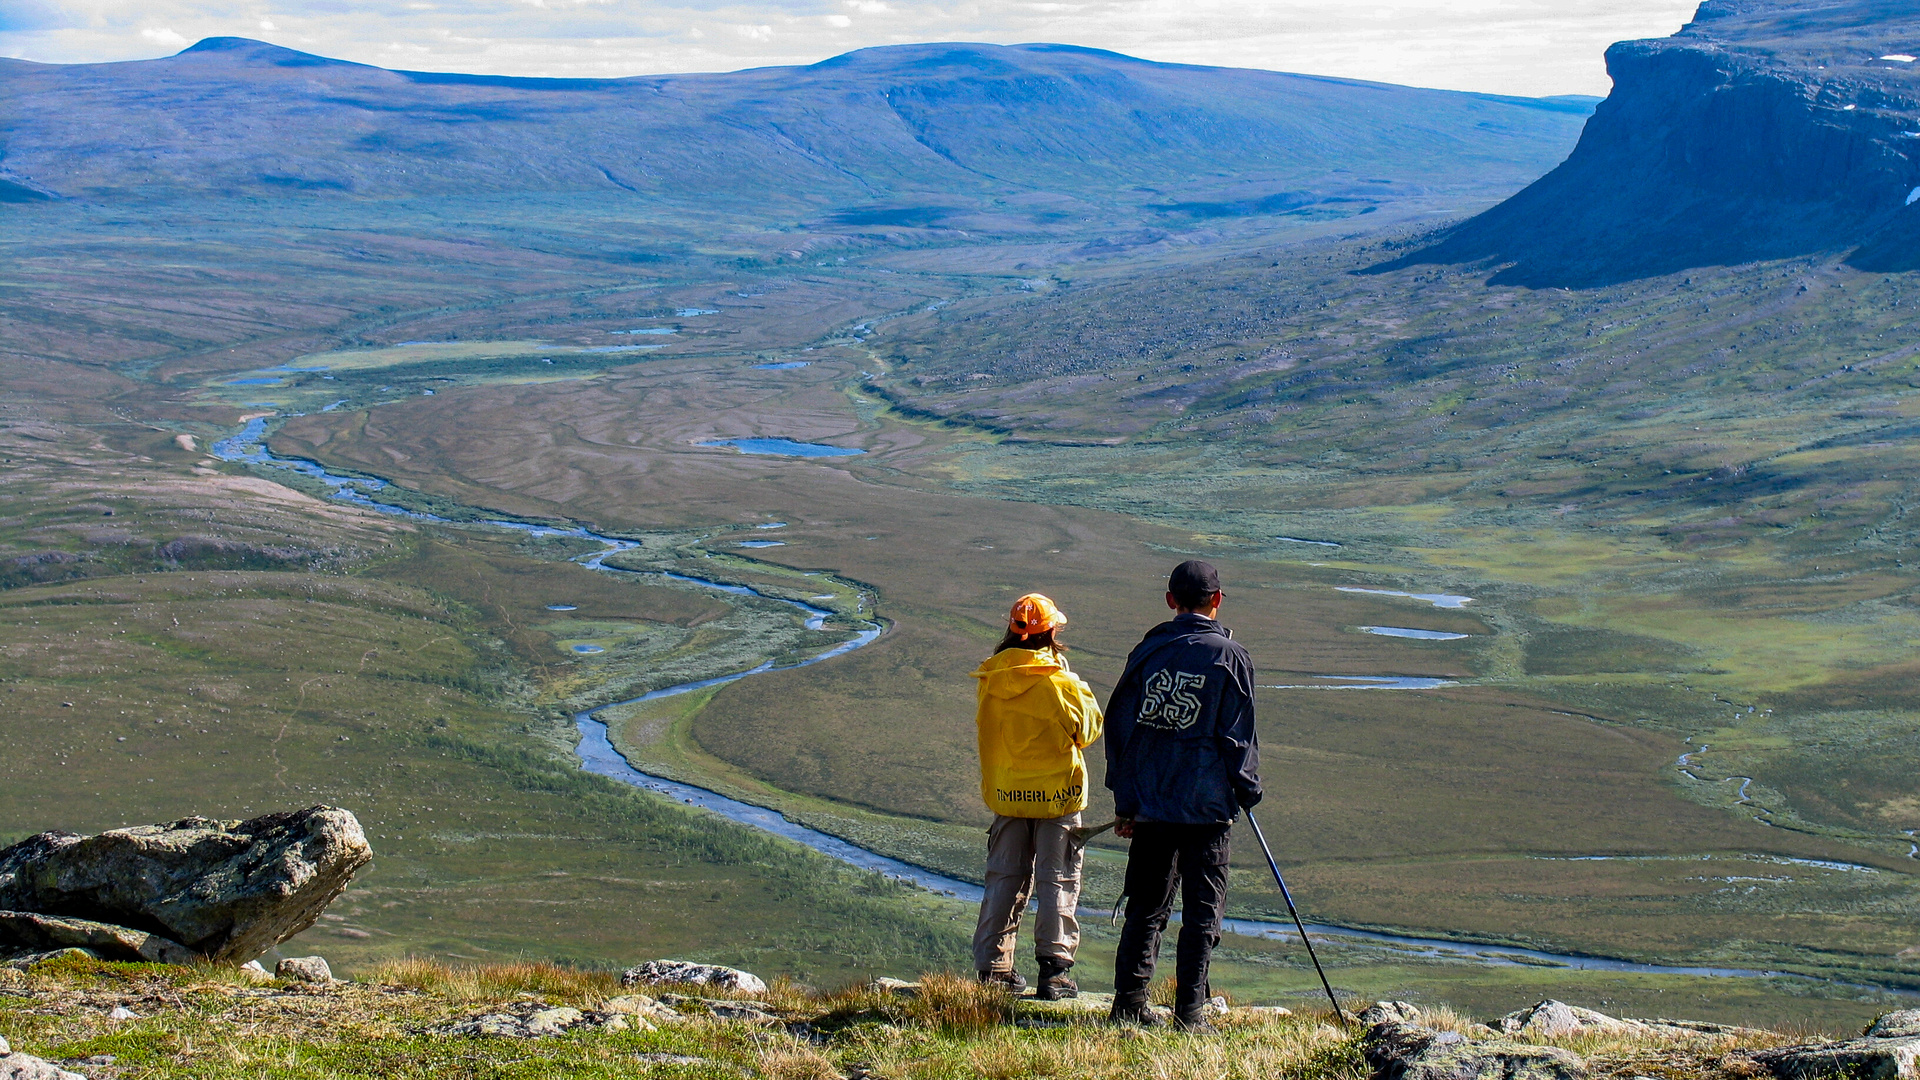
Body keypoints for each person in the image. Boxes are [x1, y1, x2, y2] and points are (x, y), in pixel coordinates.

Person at [1102, 560, 1261, 1031]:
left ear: (1171, 600)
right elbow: (1239, 737)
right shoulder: (1230, 656)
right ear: (1216, 600)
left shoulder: (1148, 651)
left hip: (1151, 804)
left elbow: (1120, 727)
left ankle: (1128, 1006)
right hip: (1207, 808)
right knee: (1202, 913)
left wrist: (1126, 801)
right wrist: (1247, 790)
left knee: (1146, 907)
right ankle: (1189, 1014)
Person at [969, 592, 1105, 1000]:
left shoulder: (991, 678)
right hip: (1056, 798)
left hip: (1008, 794)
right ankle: (1055, 971)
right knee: (1057, 879)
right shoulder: (1059, 684)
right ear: (1051, 632)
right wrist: (1069, 680)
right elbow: (1088, 730)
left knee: (1005, 878)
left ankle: (994, 969)